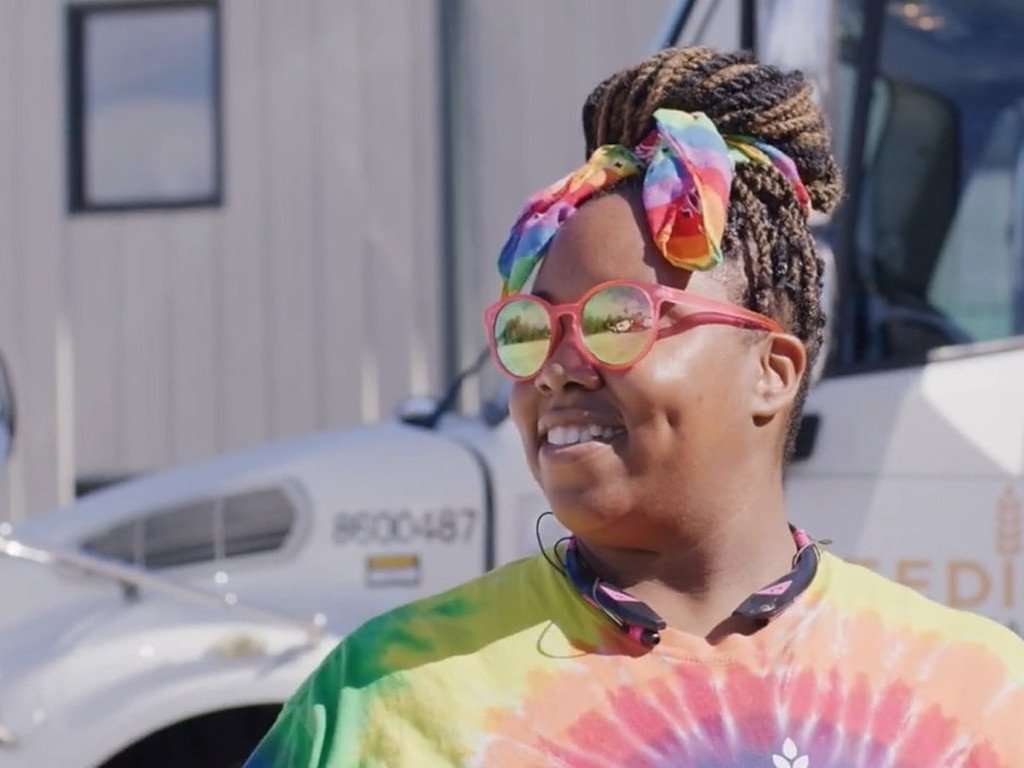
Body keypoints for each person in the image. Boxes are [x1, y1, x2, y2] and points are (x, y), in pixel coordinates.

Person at [245, 47, 1023, 767]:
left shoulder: (978, 698)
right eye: (528, 330)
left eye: (618, 320)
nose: (557, 369)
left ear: (772, 370)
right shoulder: (385, 694)